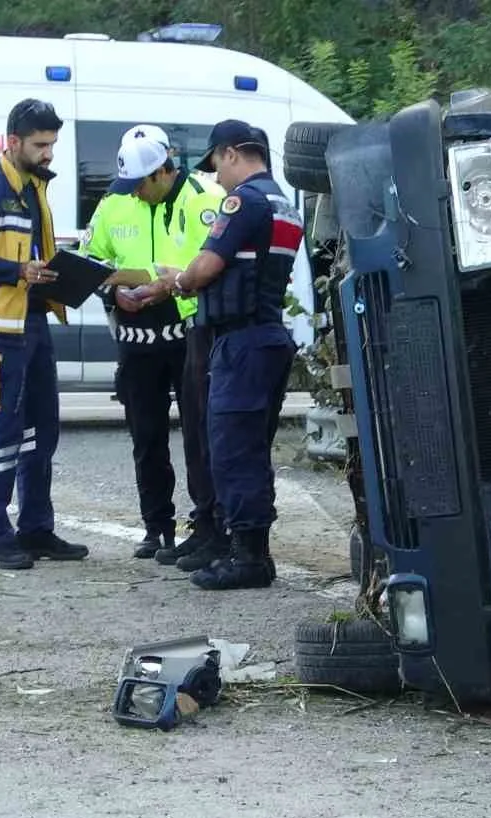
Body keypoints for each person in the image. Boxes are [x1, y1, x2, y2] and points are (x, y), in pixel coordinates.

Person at [0, 99, 91, 570]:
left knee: (40, 428)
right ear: (13, 142)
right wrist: (17, 271)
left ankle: (36, 528)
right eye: (41, 144)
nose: (49, 153)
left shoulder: (33, 185)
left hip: (31, 318)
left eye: (52, 144)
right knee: (1, 430)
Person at [159, 120, 300, 591]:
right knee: (251, 448)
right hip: (268, 335)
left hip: (241, 341)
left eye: (216, 165)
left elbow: (206, 267)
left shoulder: (244, 202)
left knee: (233, 450)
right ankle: (251, 551)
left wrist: (176, 279)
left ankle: (249, 558)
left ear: (232, 153)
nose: (216, 178)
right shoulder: (285, 203)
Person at [82, 125, 227, 561]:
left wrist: (167, 285)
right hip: (135, 337)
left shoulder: (202, 198)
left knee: (199, 437)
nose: (134, 195)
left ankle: (207, 525)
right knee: (146, 437)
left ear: (163, 172)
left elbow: (210, 263)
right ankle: (156, 526)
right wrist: (111, 292)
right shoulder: (114, 203)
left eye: (140, 186)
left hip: (187, 334)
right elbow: (92, 257)